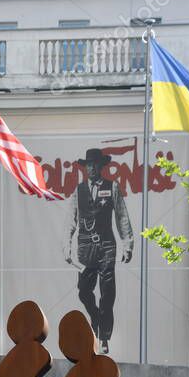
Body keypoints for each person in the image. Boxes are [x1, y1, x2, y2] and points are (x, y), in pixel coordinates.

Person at [64, 148, 134, 355]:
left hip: (106, 247)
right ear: (85, 168)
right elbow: (71, 218)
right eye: (89, 165)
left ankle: (104, 336)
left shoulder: (112, 187)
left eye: (95, 165)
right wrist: (66, 245)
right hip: (85, 247)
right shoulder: (79, 190)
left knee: (107, 292)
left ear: (101, 167)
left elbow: (122, 216)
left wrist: (127, 244)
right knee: (84, 291)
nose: (92, 168)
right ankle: (94, 317)